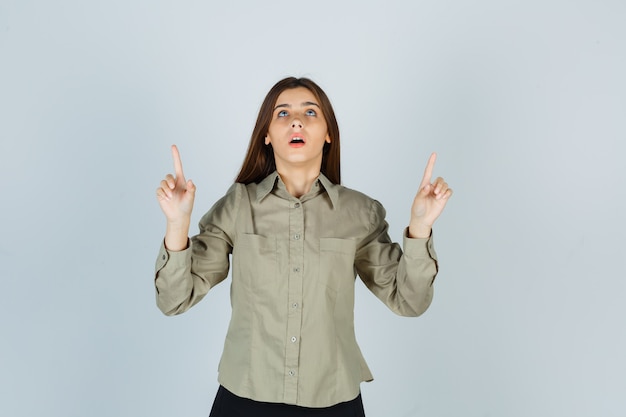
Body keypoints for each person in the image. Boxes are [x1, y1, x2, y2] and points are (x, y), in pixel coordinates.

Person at [154, 77, 452, 416]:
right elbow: (173, 300)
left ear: (328, 133)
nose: (296, 120)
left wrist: (421, 226)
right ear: (266, 134)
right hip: (245, 398)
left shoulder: (359, 213)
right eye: (283, 113)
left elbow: (410, 301)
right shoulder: (238, 206)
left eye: (310, 112)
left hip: (332, 400)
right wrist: (177, 223)